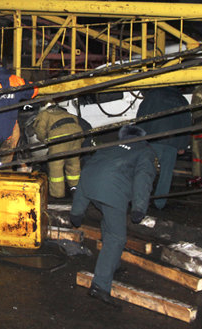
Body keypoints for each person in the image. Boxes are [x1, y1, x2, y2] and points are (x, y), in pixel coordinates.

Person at [69, 125, 158, 306]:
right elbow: (143, 178)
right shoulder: (145, 151)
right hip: (112, 191)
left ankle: (113, 264)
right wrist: (139, 208)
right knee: (116, 237)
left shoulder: (110, 146)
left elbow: (88, 170)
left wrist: (77, 211)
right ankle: (100, 286)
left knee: (109, 222)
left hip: (91, 188)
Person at [136, 86, 191, 209]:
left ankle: (141, 203)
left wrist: (139, 139)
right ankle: (160, 203)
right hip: (172, 144)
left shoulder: (153, 96)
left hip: (153, 141)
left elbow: (141, 117)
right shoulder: (182, 100)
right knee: (166, 175)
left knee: (146, 172)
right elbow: (186, 123)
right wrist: (182, 145)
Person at [32, 101, 83, 198]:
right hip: (77, 136)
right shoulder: (66, 113)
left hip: (59, 138)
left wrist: (44, 140)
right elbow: (76, 122)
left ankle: (57, 194)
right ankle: (75, 188)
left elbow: (40, 129)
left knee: (56, 166)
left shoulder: (44, 114)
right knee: (73, 163)